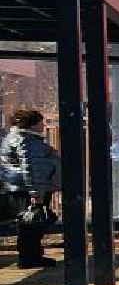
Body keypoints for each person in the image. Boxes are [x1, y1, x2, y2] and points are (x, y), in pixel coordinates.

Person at [2, 109, 61, 269]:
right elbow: (31, 167)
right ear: (33, 124)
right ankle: (30, 257)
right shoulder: (26, 141)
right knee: (32, 224)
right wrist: (35, 192)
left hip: (20, 187)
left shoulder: (15, 138)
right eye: (42, 122)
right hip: (29, 189)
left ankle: (31, 256)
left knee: (29, 224)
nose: (44, 125)